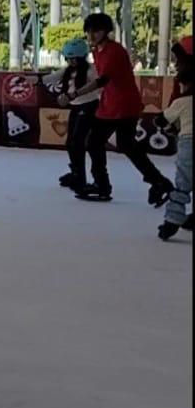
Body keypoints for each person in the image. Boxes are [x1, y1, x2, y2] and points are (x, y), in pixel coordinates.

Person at [60, 14, 172, 205]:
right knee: (125, 145)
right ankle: (158, 181)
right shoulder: (97, 51)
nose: (91, 35)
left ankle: (102, 186)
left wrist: (73, 95)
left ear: (106, 31)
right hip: (113, 103)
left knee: (96, 142)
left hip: (120, 105)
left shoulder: (114, 51)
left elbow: (102, 80)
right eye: (89, 31)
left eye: (96, 30)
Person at [43, 37, 99, 191]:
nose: (71, 62)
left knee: (78, 142)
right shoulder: (68, 71)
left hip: (89, 107)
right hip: (76, 107)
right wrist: (34, 79)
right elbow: (50, 78)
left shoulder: (91, 70)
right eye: (68, 58)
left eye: (74, 59)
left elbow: (98, 85)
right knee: (71, 143)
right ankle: (76, 173)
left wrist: (76, 94)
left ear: (82, 58)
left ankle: (80, 177)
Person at [158, 35, 194, 240]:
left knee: (183, 181)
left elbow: (164, 118)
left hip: (188, 140)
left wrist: (169, 124)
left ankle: (172, 219)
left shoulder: (183, 98)